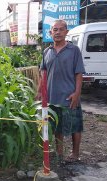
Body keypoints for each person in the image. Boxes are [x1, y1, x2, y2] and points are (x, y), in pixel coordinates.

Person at [36, 20, 85, 163]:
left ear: (66, 32)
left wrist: (77, 93)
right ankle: (59, 153)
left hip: (70, 96)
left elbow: (79, 74)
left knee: (75, 126)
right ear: (50, 33)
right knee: (57, 126)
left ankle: (75, 154)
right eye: (54, 30)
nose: (57, 32)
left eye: (61, 29)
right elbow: (43, 73)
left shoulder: (73, 50)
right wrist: (40, 91)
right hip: (52, 97)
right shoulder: (47, 52)